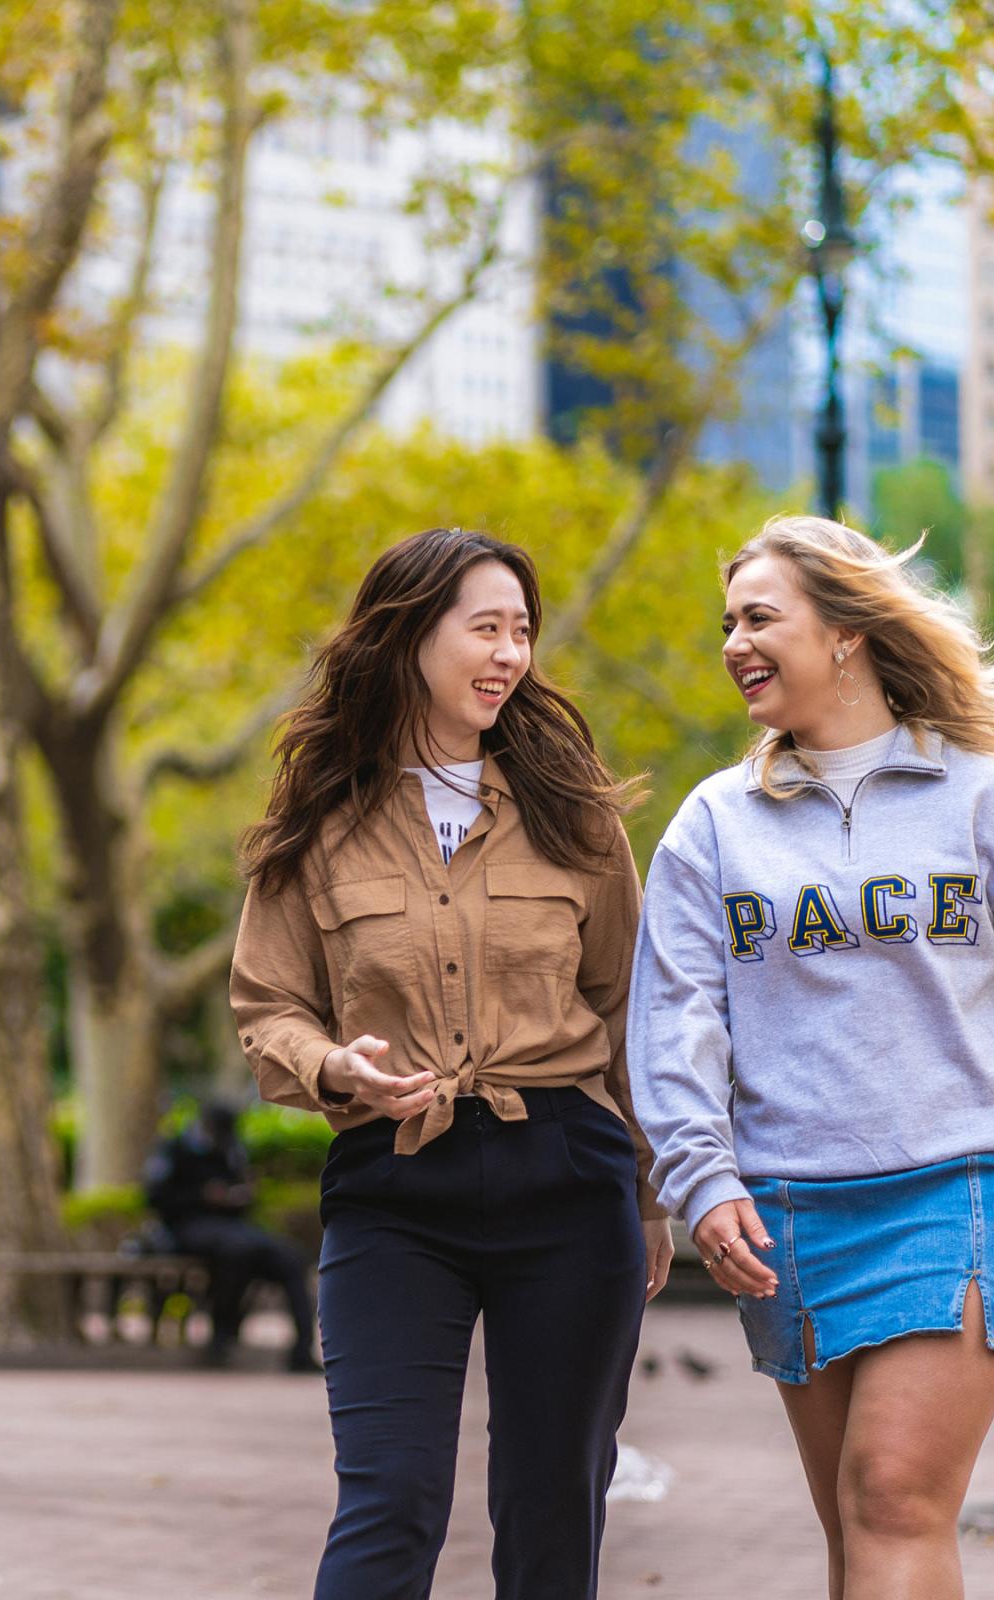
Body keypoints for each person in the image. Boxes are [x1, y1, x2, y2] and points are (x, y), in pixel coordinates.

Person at [627, 514, 994, 1600]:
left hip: (963, 1185)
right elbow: (675, 1024)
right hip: (787, 1208)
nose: (733, 643)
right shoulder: (713, 825)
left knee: (893, 1496)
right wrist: (698, 1179)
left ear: (844, 629)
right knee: (857, 1526)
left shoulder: (989, 797)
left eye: (759, 617)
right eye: (726, 623)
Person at [230, 526, 673, 1600]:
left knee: (552, 1504)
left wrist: (655, 1193)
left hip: (567, 1175)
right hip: (394, 1186)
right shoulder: (317, 823)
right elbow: (267, 1004)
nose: (510, 654)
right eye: (485, 627)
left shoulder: (574, 818)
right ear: (411, 635)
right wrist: (337, 1067)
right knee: (390, 1500)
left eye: (521, 631)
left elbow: (629, 1012)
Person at [141, 1100, 319, 1372]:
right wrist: (203, 1195)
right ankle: (222, 1335)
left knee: (291, 1258)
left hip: (234, 1227)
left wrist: (240, 1196)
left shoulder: (230, 1148)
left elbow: (246, 1191)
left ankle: (301, 1352)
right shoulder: (176, 1148)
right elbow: (155, 1197)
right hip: (188, 1225)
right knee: (238, 1252)